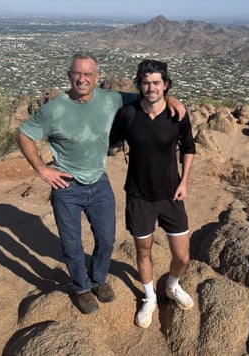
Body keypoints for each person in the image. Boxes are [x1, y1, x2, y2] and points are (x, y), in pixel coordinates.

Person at [17, 52, 185, 315]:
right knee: (72, 244)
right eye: (77, 73)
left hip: (99, 183)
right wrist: (41, 169)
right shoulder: (55, 109)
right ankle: (81, 287)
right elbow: (24, 134)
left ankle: (97, 280)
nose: (82, 79)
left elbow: (150, 97)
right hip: (67, 186)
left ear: (97, 78)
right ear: (69, 75)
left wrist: (171, 97)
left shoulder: (111, 99)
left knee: (106, 240)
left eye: (88, 74)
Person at [110, 59, 196, 328]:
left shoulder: (177, 115)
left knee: (182, 256)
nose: (151, 87)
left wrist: (184, 182)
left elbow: (189, 148)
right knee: (143, 250)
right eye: (146, 82)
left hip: (171, 194)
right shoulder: (128, 114)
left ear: (165, 85)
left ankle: (172, 285)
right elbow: (107, 141)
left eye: (157, 82)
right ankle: (149, 297)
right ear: (140, 85)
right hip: (138, 195)